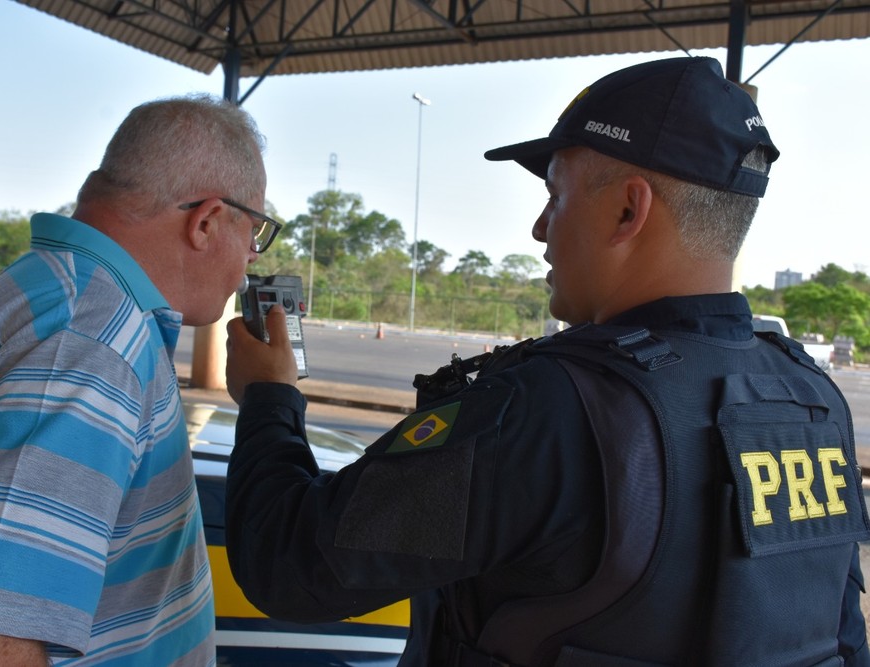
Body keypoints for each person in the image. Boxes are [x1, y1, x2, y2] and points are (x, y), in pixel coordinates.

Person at [223, 56, 870, 666]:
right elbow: (842, 639)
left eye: (556, 196)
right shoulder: (811, 403)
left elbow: (288, 565)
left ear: (627, 208)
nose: (539, 227)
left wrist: (268, 399)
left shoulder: (546, 412)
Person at [0, 93, 279, 665]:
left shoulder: (53, 294)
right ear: (208, 221)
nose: (250, 257)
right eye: (256, 230)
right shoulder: (91, 347)